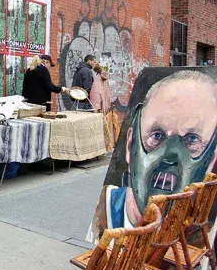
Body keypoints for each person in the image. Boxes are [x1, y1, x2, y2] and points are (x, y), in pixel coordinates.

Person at [87, 70, 217, 243]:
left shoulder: (202, 235)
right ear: (129, 145)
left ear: (212, 160)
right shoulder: (104, 213)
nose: (169, 157)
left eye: (192, 139)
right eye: (157, 135)